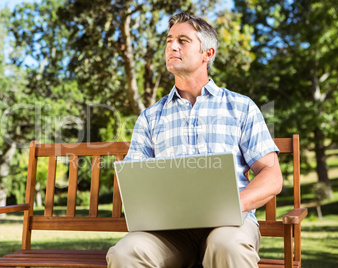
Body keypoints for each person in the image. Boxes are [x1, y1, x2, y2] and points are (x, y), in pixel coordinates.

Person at [106, 12, 283, 268]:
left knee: (227, 245)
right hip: (170, 232)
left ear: (207, 54)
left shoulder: (241, 107)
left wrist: (230, 206)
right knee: (125, 253)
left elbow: (272, 174)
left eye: (182, 40)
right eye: (168, 41)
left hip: (230, 224)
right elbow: (134, 182)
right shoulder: (150, 117)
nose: (171, 46)